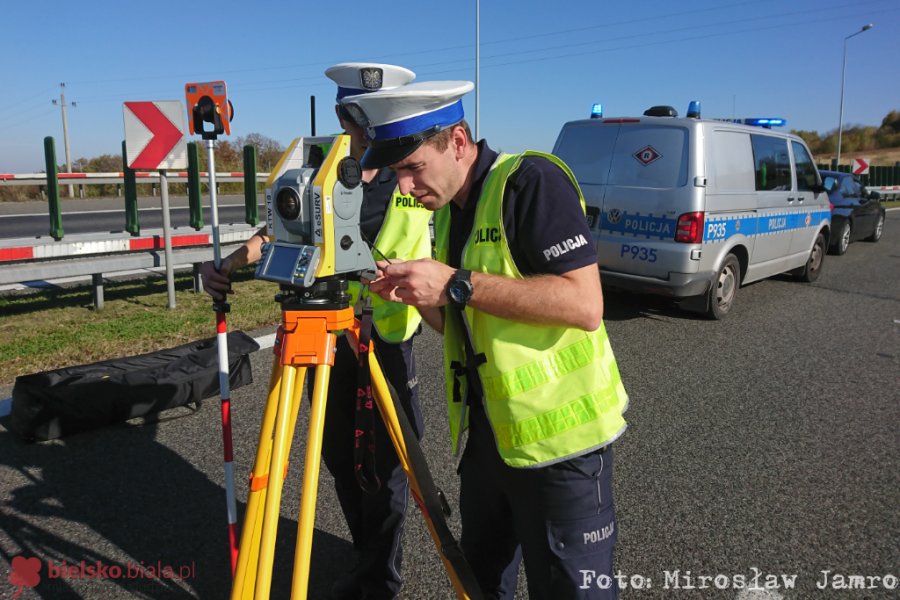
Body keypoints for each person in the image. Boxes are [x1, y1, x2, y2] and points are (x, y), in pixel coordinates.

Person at [342, 81, 629, 599]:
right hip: (487, 443)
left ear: (457, 140)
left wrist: (455, 281)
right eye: (396, 173)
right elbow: (462, 321)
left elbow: (585, 306)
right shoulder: (451, 208)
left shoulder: (532, 181)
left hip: (560, 451)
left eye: (412, 168)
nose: (404, 188)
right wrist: (416, 292)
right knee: (480, 584)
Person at [200, 63, 432, 600]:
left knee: (386, 464)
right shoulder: (324, 165)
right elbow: (282, 227)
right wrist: (230, 264)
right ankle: (366, 553)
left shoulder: (412, 167)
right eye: (358, 116)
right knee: (337, 456)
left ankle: (380, 579)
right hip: (325, 338)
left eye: (377, 117)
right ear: (343, 115)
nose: (367, 129)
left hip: (385, 338)